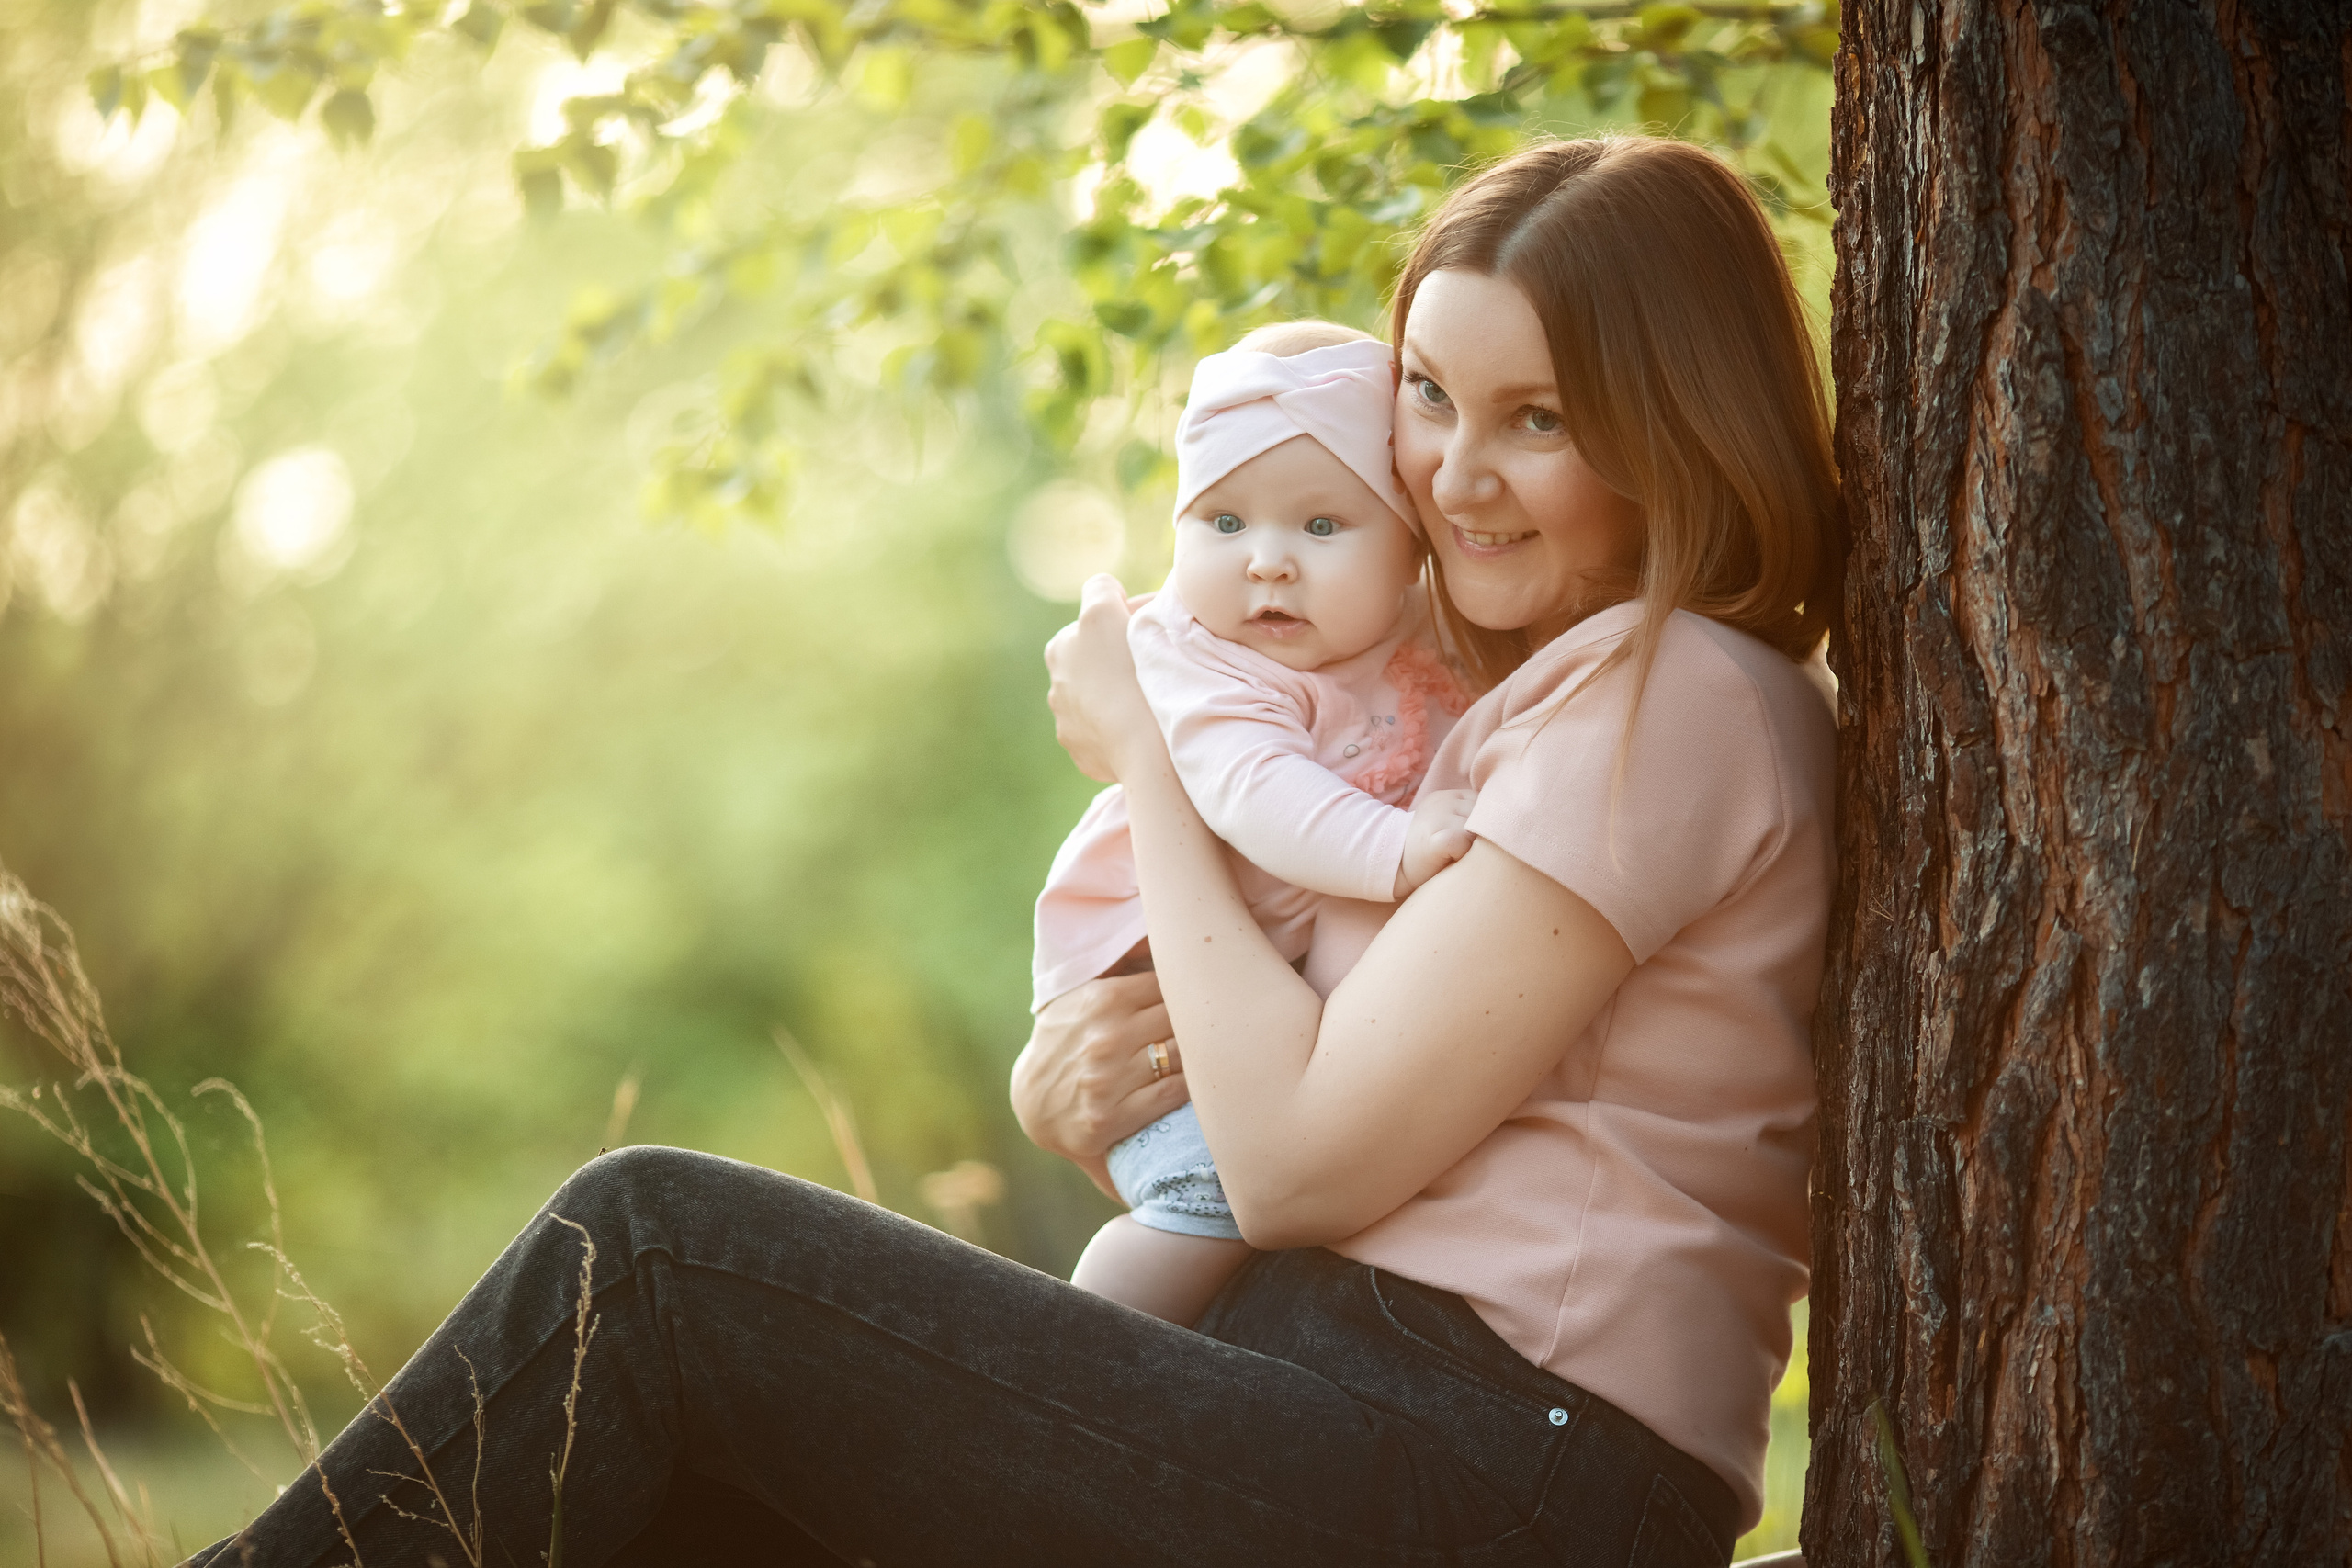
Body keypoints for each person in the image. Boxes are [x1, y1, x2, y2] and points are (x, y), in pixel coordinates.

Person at [186, 132, 1839, 1568]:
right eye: (1426, 394)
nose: (1453, 472)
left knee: (663, 1257)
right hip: (1354, 1399)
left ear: (1668, 425)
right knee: (688, 1488)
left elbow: (1302, 1168)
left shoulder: (1674, 696)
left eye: (1534, 418)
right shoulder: (1509, 700)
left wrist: (1155, 763)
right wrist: (1092, 1091)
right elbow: (1298, 1102)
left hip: (1499, 1469)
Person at [1036, 320, 1476, 1326]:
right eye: (1224, 523)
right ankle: (1070, 1356)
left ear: (1410, 547)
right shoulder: (1204, 665)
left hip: (1266, 1004)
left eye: (1321, 528)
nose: (1267, 563)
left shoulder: (1410, 635)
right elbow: (1259, 799)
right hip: (1154, 1001)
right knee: (1211, 1201)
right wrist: (1397, 852)